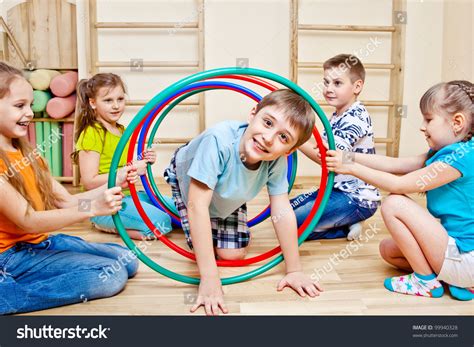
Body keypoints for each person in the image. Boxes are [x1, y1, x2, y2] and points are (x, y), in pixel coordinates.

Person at [164, 89, 323, 315]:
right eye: (268, 123)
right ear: (253, 114)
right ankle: (171, 209)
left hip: (228, 189)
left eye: (283, 137)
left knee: (232, 255)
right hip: (189, 178)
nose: (268, 138)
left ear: (290, 151)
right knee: (202, 229)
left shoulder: (276, 161)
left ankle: (227, 202)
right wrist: (209, 278)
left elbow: (281, 208)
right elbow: (197, 206)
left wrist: (294, 269)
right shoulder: (218, 140)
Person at [0, 62, 139, 314]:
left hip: (38, 244)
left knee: (127, 260)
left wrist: (115, 183)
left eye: (31, 105)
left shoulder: (28, 154)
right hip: (10, 256)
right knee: (113, 275)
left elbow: (65, 201)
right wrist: (94, 209)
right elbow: (28, 220)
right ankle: (9, 296)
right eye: (20, 106)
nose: (30, 113)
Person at [326, 81, 474, 301]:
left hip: (464, 257)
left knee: (393, 202)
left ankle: (425, 280)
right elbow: (395, 164)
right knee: (388, 250)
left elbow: (399, 184)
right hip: (457, 254)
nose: (422, 126)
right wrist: (347, 156)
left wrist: (350, 168)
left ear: (457, 122)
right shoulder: (445, 152)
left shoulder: (461, 158)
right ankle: (454, 280)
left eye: (429, 119)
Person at [74, 73, 173, 240]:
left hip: (129, 195)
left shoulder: (121, 130)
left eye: (120, 99)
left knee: (178, 208)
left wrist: (144, 162)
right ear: (93, 103)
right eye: (108, 100)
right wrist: (131, 168)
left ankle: (129, 219)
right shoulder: (92, 133)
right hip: (106, 202)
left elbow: (125, 170)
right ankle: (104, 223)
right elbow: (89, 181)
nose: (116, 106)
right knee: (161, 222)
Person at [295, 54, 380, 241]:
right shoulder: (337, 116)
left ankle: (346, 224)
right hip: (336, 189)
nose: (328, 89)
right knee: (286, 210)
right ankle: (343, 220)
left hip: (357, 198)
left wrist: (296, 140)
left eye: (337, 83)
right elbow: (324, 154)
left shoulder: (355, 117)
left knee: (290, 223)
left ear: (357, 86)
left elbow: (326, 157)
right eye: (326, 83)